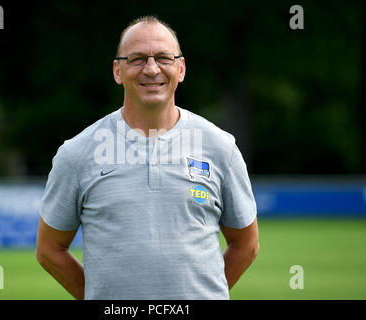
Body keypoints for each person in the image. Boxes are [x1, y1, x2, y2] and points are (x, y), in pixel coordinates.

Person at [35, 15, 259, 300]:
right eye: (138, 59)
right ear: (118, 71)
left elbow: (246, 245)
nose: (152, 69)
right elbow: (49, 250)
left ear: (181, 68)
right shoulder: (76, 153)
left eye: (164, 58)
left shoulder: (220, 148)